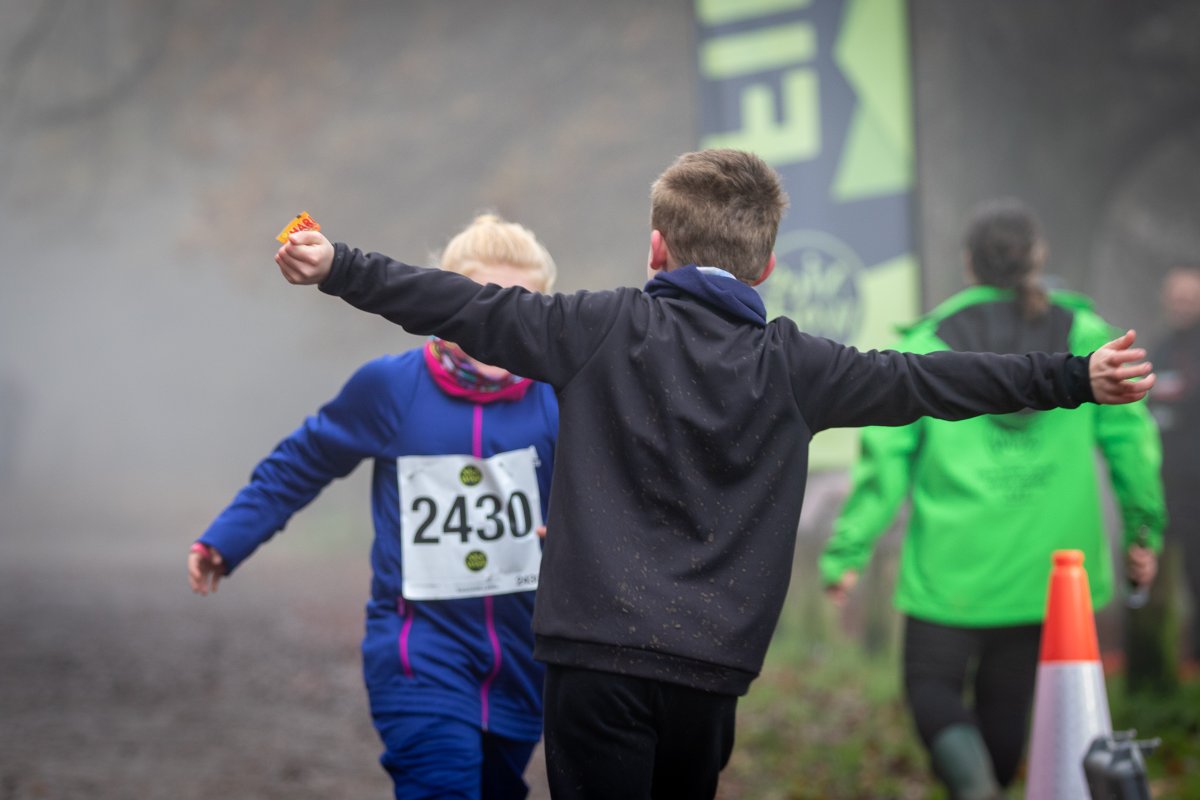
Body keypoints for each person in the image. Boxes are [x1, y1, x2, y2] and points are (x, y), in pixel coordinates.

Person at [272, 149, 1155, 800]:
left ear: (656, 248)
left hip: (592, 661)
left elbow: (461, 304)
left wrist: (337, 265)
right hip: (711, 671)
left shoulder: (594, 327)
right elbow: (928, 380)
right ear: (767, 267)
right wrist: (1074, 376)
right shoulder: (798, 367)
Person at [189, 214, 559, 800]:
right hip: (418, 655)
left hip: (522, 661)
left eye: (519, 310)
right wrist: (226, 538)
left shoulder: (560, 398)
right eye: (483, 307)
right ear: (447, 307)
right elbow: (302, 462)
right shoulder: (392, 388)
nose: (499, 328)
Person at [819, 198, 1165, 799]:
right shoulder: (1089, 340)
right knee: (1008, 711)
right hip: (1051, 573)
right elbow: (1132, 446)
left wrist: (847, 553)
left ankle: (976, 789)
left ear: (967, 264)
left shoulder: (925, 344)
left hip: (950, 572)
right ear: (1037, 258)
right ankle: (989, 789)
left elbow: (885, 464)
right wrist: (1143, 533)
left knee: (931, 689)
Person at [1148, 266, 1200, 669]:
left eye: (1189, 295)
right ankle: (1159, 678)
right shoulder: (1159, 350)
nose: (1181, 303)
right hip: (1164, 490)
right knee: (1155, 586)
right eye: (1175, 295)